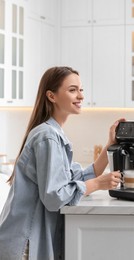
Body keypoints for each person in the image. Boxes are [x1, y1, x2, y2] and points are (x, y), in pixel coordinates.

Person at [0, 66, 124, 260]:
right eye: (72, 90)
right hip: (25, 243)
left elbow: (78, 178)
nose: (81, 96)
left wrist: (110, 144)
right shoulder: (47, 136)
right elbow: (55, 197)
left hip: (25, 240)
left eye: (81, 90)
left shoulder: (54, 133)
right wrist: (99, 184)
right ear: (52, 96)